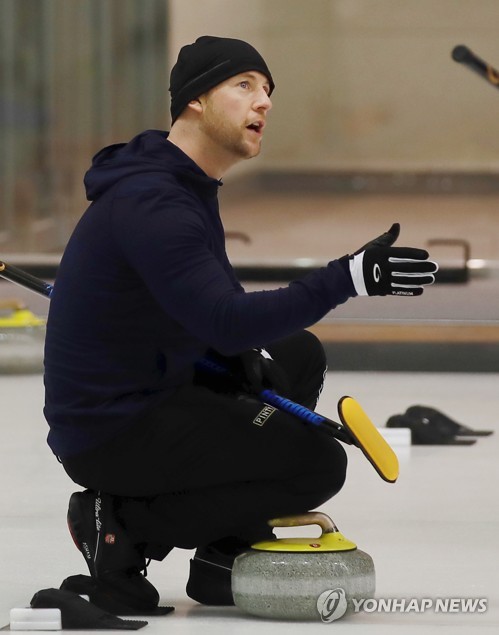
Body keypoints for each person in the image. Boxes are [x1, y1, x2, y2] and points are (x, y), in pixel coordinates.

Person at [43, 36, 438, 611]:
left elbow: (214, 316)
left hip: (158, 384)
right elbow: (227, 323)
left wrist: (243, 365)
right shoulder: (154, 202)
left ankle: (219, 555)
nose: (265, 103)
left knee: (294, 354)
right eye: (245, 85)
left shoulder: (185, 186)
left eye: (269, 90)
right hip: (113, 427)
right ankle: (123, 525)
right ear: (195, 101)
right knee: (316, 463)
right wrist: (345, 278)